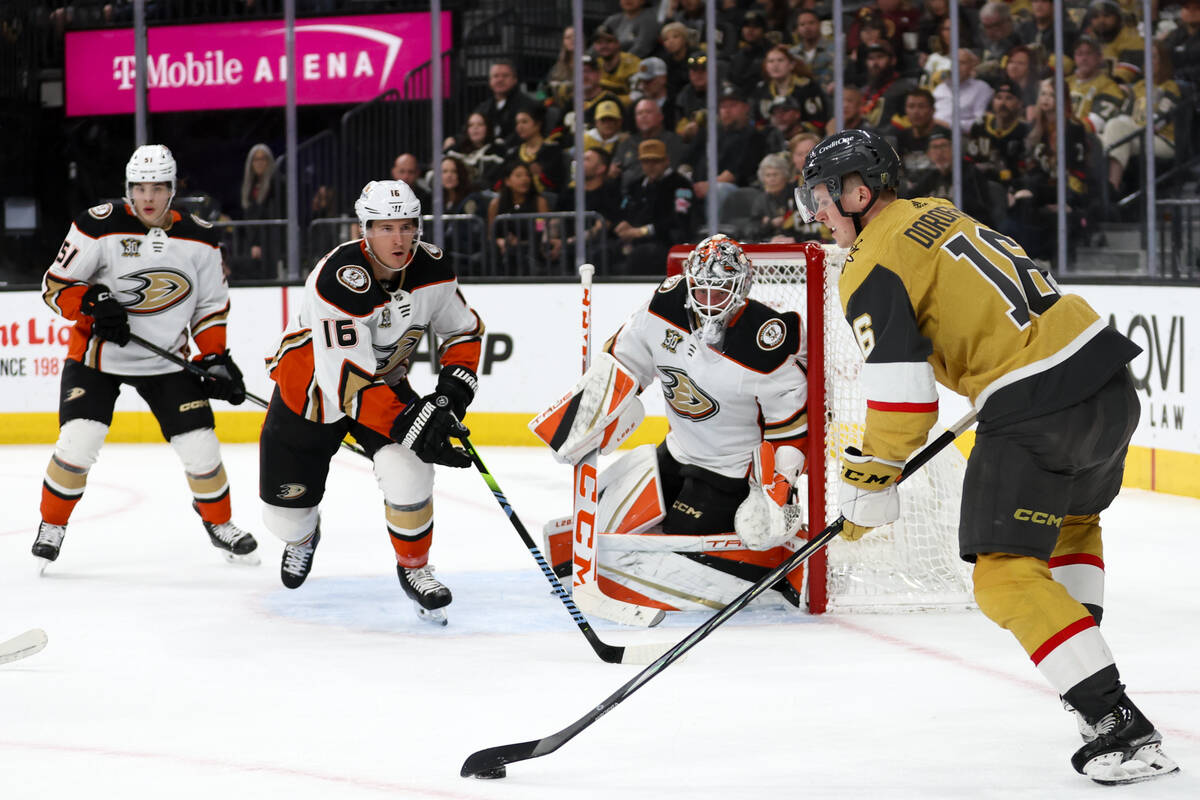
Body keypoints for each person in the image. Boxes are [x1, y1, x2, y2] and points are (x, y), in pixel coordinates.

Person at [796, 128, 1179, 786]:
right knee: (1072, 526)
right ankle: (1089, 684)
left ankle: (1118, 724)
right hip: (1109, 383)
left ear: (860, 192)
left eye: (824, 197)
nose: (818, 213)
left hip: (1039, 407)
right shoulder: (940, 212)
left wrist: (870, 476)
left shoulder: (869, 263)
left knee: (1002, 577)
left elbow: (904, 397)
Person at [539, 233, 810, 610]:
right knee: (607, 514)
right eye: (702, 292)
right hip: (676, 450)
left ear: (742, 289)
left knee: (677, 539)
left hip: (728, 471)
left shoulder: (765, 343)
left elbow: (792, 427)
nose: (710, 304)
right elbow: (624, 361)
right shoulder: (663, 306)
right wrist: (588, 413)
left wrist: (778, 488)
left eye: (721, 294)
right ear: (688, 285)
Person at [259, 179, 484, 625]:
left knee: (411, 470)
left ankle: (415, 568)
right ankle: (303, 537)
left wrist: (455, 388)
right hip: (313, 392)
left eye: (407, 226)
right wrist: (410, 423)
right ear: (365, 229)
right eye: (385, 228)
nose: (399, 239)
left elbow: (463, 331)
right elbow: (345, 382)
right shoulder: (336, 280)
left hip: (382, 383)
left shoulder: (433, 269)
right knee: (285, 517)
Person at [34, 144, 258, 569]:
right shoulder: (97, 226)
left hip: (167, 361)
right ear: (127, 188)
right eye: (139, 187)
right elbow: (55, 286)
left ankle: (219, 523)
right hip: (98, 358)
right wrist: (94, 301)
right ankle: (52, 523)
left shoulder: (201, 237)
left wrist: (214, 358)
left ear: (172, 190)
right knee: (79, 441)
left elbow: (209, 306)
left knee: (201, 447)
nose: (148, 197)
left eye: (158, 187)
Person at [613, 139, 694, 275]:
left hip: (665, 241)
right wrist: (622, 224)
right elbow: (624, 209)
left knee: (643, 254)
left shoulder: (680, 184)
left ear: (666, 161)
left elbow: (680, 219)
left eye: (655, 161)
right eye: (646, 161)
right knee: (606, 250)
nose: (650, 166)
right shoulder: (635, 186)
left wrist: (643, 231)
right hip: (634, 239)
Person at [238, 143, 278, 279]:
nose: (259, 163)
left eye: (263, 159)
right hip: (252, 240)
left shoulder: (276, 183)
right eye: (256, 159)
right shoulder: (249, 186)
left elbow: (269, 215)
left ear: (269, 161)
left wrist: (257, 243)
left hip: (268, 241)